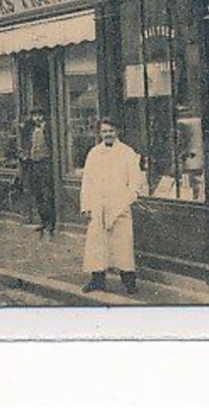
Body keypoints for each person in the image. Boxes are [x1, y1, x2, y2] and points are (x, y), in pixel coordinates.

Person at [79, 117, 147, 295]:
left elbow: (135, 181)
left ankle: (130, 283)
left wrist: (127, 199)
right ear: (100, 133)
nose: (107, 134)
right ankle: (97, 281)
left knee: (122, 246)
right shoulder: (94, 153)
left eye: (110, 131)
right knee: (97, 247)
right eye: (104, 131)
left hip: (119, 206)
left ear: (117, 132)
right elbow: (88, 181)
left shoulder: (127, 152)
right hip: (98, 205)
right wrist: (87, 205)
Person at [24, 110, 57, 237]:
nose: (37, 118)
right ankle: (43, 220)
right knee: (37, 193)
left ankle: (51, 223)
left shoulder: (48, 128)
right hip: (33, 164)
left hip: (46, 163)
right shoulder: (31, 129)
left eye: (39, 115)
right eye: (34, 116)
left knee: (47, 193)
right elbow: (27, 144)